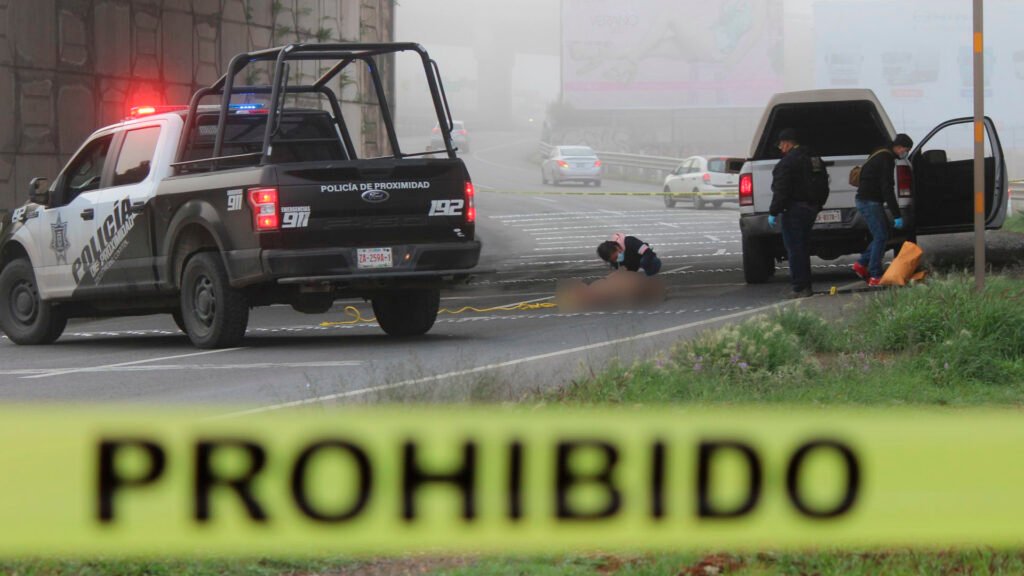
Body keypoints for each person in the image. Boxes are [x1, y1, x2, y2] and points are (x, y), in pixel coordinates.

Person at [852, 134, 913, 286]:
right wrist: (897, 215)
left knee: (883, 235)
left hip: (866, 200)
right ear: (898, 147)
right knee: (880, 236)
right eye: (905, 150)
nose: (905, 153)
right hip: (869, 201)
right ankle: (875, 274)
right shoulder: (886, 159)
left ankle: (861, 264)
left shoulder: (879, 152)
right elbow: (887, 189)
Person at [768, 128, 819, 298]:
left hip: (793, 210)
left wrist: (773, 211)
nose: (780, 148)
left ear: (787, 143)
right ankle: (807, 285)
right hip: (810, 208)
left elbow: (781, 190)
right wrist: (818, 205)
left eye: (781, 145)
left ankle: (800, 287)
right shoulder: (814, 159)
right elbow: (823, 183)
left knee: (795, 249)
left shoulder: (787, 163)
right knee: (803, 247)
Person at [596, 233, 662, 276]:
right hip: (632, 265)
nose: (616, 260)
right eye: (613, 260)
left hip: (645, 259)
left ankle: (650, 276)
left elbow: (648, 252)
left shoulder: (630, 241)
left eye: (616, 257)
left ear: (616, 247)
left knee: (647, 261)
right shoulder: (613, 259)